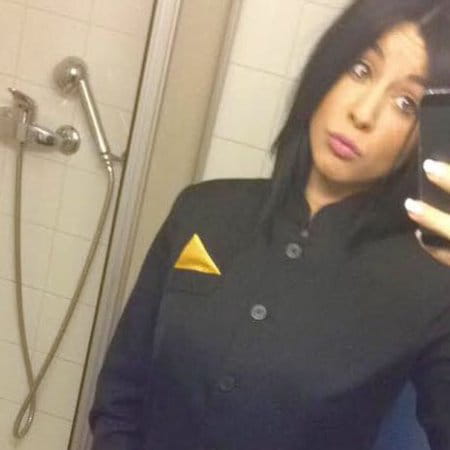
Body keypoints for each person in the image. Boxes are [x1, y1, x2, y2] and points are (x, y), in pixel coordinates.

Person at [89, 0, 450, 449]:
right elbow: (120, 394)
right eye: (360, 69)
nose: (363, 113)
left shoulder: (428, 283)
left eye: (406, 103)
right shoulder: (203, 210)